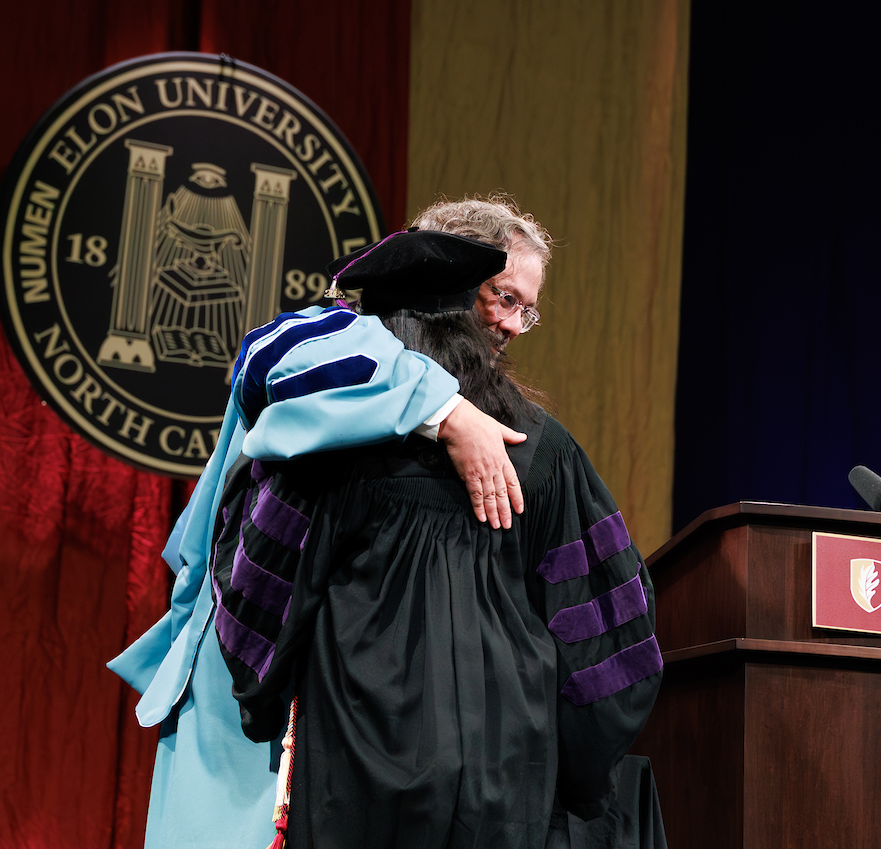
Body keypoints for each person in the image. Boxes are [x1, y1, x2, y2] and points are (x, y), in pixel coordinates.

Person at [110, 197, 555, 849]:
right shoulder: (340, 335)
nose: (514, 324)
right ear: (447, 278)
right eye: (503, 296)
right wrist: (447, 412)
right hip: (247, 678)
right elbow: (270, 355)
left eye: (528, 308)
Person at [211, 230, 662, 848]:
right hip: (508, 766)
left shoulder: (330, 447)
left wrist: (261, 700)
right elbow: (610, 638)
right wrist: (581, 776)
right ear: (474, 314)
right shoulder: (542, 449)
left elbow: (257, 591)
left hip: (355, 752)